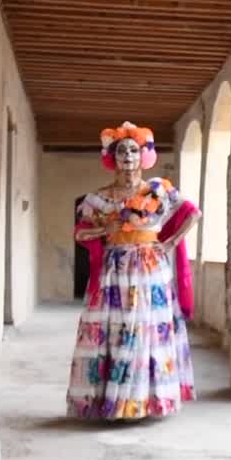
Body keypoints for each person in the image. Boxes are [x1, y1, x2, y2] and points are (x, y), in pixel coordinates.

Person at [67, 122, 201, 420]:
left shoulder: (159, 191)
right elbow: (80, 234)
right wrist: (105, 227)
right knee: (116, 329)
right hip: (115, 268)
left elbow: (193, 213)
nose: (127, 156)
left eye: (133, 150)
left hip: (151, 267)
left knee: (147, 329)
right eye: (121, 151)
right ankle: (114, 401)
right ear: (111, 159)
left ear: (144, 156)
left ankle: (146, 402)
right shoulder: (98, 199)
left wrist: (172, 241)